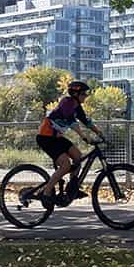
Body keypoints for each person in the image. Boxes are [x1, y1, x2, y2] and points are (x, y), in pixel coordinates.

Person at [34, 80, 103, 208]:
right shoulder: (66, 102)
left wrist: (100, 133)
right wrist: (83, 136)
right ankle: (46, 193)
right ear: (76, 94)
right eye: (83, 94)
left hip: (57, 138)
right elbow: (71, 120)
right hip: (46, 138)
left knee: (77, 156)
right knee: (65, 165)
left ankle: (72, 188)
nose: (85, 97)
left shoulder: (77, 106)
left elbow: (86, 121)